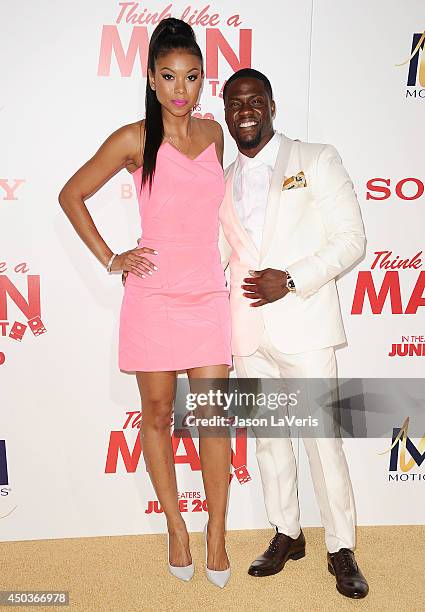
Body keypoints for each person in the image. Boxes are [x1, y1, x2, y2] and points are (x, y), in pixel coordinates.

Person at [58, 18, 231, 589]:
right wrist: (113, 258)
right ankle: (177, 528)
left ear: (202, 80)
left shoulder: (213, 136)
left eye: (192, 77)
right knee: (157, 417)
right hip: (153, 297)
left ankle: (217, 533)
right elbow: (72, 194)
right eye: (169, 77)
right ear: (152, 81)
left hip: (206, 293)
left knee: (212, 419)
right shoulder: (135, 139)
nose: (181, 90)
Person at [217, 68, 369, 599]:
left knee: (323, 442)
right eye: (235, 105)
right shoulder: (221, 177)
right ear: (226, 113)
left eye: (255, 101)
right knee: (270, 441)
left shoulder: (316, 158)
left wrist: (294, 278)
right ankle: (287, 532)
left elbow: (352, 238)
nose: (246, 112)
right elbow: (219, 253)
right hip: (248, 332)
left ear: (272, 106)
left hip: (304, 325)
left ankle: (341, 546)